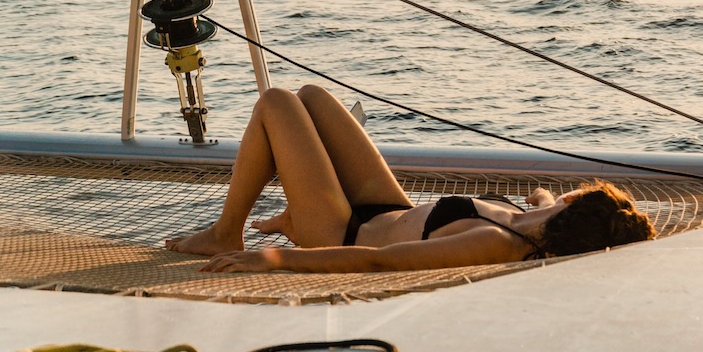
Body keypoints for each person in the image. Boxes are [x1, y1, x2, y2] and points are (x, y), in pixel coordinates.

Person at [166, 85, 656, 273]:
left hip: (345, 232)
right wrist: (549, 197)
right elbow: (542, 197)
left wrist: (273, 260)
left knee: (276, 104)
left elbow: (382, 261)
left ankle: (228, 231)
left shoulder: (498, 241)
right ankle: (295, 209)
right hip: (388, 209)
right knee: (313, 97)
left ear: (577, 210)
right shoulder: (535, 217)